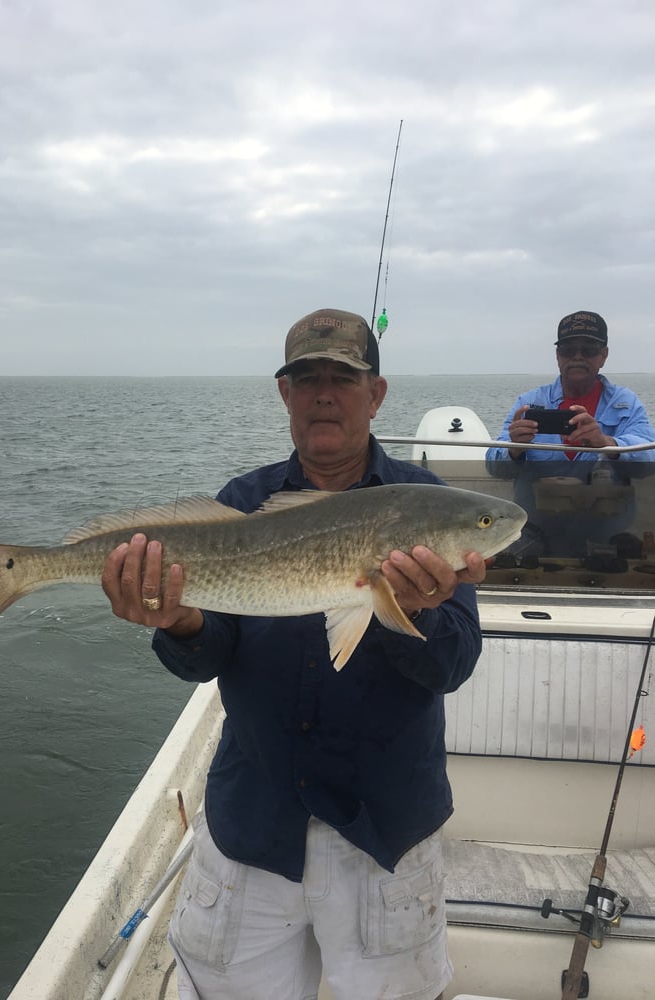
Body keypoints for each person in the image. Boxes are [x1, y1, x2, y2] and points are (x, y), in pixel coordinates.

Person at [102, 308, 487, 1000]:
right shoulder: (243, 505)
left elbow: (452, 668)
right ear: (285, 395)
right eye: (306, 378)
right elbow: (206, 658)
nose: (324, 393)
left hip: (386, 832)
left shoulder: (427, 508)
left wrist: (414, 610)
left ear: (376, 394)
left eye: (344, 377)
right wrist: (182, 623)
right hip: (255, 823)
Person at [485, 310, 655, 556]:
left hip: (608, 541)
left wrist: (607, 443)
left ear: (603, 355)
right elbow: (493, 465)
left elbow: (649, 463)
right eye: (567, 349)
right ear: (557, 356)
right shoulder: (529, 401)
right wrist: (513, 449)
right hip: (534, 538)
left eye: (588, 349)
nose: (577, 357)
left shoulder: (626, 403)